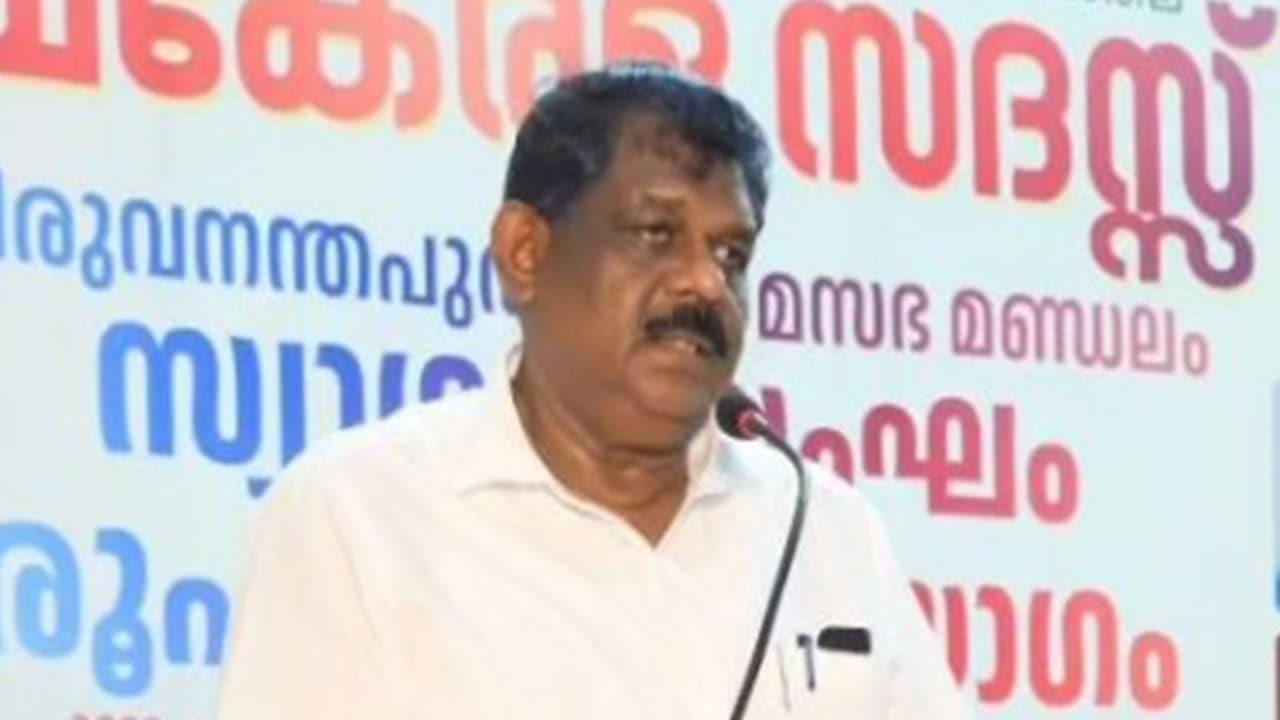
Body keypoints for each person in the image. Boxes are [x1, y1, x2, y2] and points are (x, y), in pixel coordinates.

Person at [216, 62, 969, 719]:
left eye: (731, 253)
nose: (706, 284)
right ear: (524, 252)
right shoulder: (363, 515)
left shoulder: (825, 531)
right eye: (655, 233)